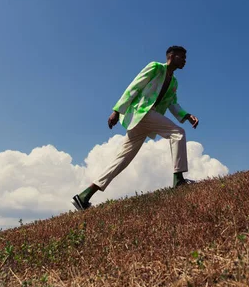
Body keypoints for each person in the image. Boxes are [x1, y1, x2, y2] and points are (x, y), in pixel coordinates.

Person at [72, 46, 199, 210]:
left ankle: (84, 196)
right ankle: (179, 180)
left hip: (148, 120)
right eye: (182, 57)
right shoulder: (155, 67)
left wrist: (187, 116)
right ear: (172, 56)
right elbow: (135, 86)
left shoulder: (174, 82)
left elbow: (172, 103)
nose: (185, 61)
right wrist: (117, 111)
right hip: (141, 113)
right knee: (178, 134)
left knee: (122, 160)